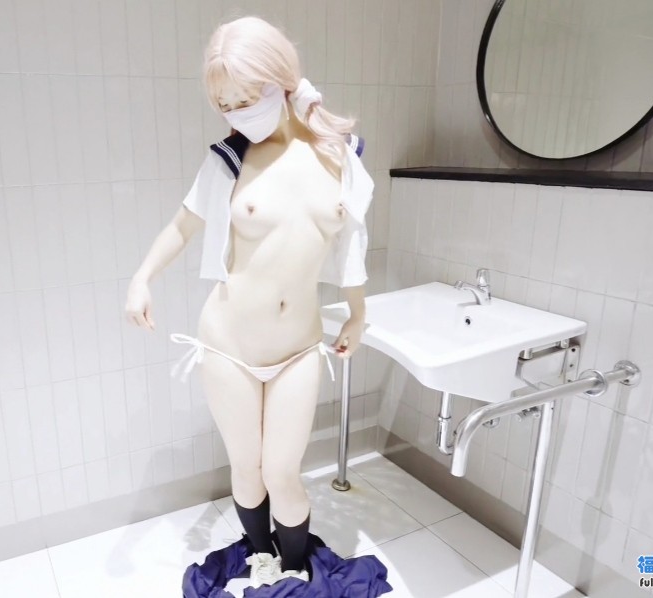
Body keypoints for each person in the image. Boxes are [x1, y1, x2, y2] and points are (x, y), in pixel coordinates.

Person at [124, 15, 374, 589]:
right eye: (226, 105)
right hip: (228, 344)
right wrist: (141, 277)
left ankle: (294, 568)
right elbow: (183, 226)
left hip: (298, 347)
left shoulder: (340, 156)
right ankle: (262, 556)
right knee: (248, 467)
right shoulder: (229, 159)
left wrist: (359, 314)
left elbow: (354, 243)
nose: (238, 114)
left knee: (283, 471)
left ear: (282, 80)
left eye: (246, 98)